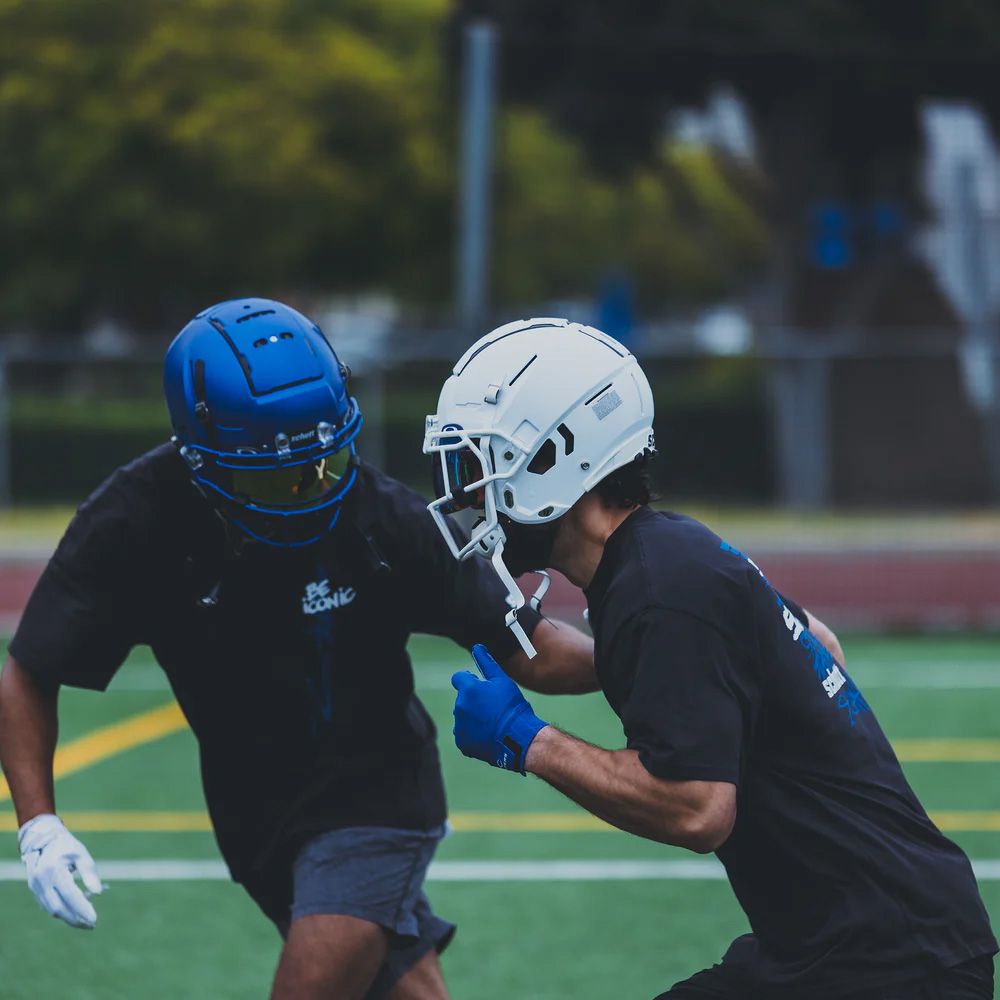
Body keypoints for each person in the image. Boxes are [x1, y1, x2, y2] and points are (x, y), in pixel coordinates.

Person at [0, 300, 593, 1000]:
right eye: (274, 478)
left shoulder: (382, 515)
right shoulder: (131, 522)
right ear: (199, 457)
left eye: (324, 459)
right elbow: (31, 669)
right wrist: (38, 824)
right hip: (256, 819)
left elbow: (532, 649)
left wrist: (655, 647)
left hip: (377, 801)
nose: (311, 489)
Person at [423, 317, 998, 999]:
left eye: (480, 466)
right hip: (856, 943)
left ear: (556, 457)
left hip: (889, 965)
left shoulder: (658, 588)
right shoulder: (661, 557)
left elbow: (697, 810)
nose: (468, 496)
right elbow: (815, 641)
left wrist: (529, 741)